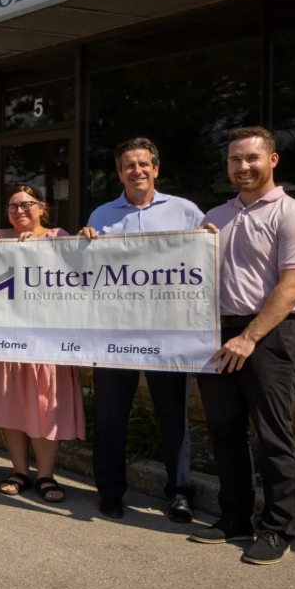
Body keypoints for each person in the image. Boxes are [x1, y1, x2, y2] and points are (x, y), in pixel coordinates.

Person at [192, 127, 295, 565]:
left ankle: (278, 529)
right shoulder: (215, 216)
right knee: (224, 431)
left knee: (272, 435)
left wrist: (249, 337)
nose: (242, 167)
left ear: (272, 160)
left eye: (251, 158)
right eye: (234, 160)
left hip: (269, 334)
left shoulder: (294, 215)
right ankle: (234, 518)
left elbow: (294, 285)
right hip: (217, 335)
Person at [81, 137, 204, 523]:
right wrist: (81, 246)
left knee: (173, 416)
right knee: (110, 415)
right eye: (129, 166)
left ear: (156, 169)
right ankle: (111, 491)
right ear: (120, 173)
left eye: (143, 164)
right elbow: (86, 274)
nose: (137, 170)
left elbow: (205, 261)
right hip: (114, 333)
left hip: (168, 334)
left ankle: (179, 492)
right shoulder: (101, 216)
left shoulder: (185, 212)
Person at [0, 185, 85, 503]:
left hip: (45, 341)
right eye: (13, 206)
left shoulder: (58, 237)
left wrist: (83, 243)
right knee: (10, 404)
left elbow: (77, 276)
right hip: (4, 341)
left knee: (44, 405)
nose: (19, 210)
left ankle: (46, 475)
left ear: (42, 208)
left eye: (27, 204)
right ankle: (20, 471)